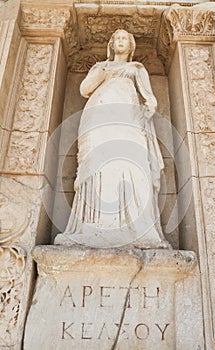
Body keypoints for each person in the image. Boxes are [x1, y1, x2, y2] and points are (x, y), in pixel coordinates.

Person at [55, 29, 171, 249]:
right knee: (98, 165)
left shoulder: (136, 69)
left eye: (125, 39)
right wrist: (102, 72)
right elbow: (84, 89)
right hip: (98, 118)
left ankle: (137, 227)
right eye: (117, 38)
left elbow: (150, 99)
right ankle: (93, 226)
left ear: (131, 46)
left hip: (127, 119)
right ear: (110, 44)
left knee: (131, 165)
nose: (120, 41)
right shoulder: (102, 67)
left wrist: (146, 111)